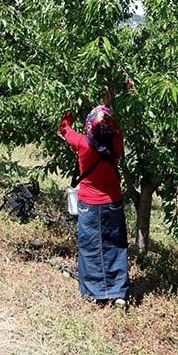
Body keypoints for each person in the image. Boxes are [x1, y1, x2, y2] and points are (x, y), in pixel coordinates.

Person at [59, 93, 130, 307]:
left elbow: (64, 129)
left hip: (89, 204)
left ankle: (94, 293)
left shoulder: (83, 144)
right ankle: (118, 292)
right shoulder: (116, 143)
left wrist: (71, 111)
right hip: (113, 202)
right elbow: (115, 128)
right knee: (115, 245)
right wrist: (108, 107)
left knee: (90, 247)